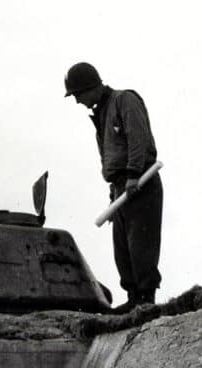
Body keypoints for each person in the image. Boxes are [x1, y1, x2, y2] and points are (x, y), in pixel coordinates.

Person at [64, 61, 162, 309]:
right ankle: (133, 299)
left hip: (141, 181)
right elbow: (110, 157)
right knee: (123, 248)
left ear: (90, 87)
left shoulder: (124, 100)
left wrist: (132, 174)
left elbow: (137, 137)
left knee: (141, 246)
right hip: (121, 188)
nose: (77, 101)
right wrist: (113, 193)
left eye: (77, 94)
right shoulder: (101, 113)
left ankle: (146, 300)